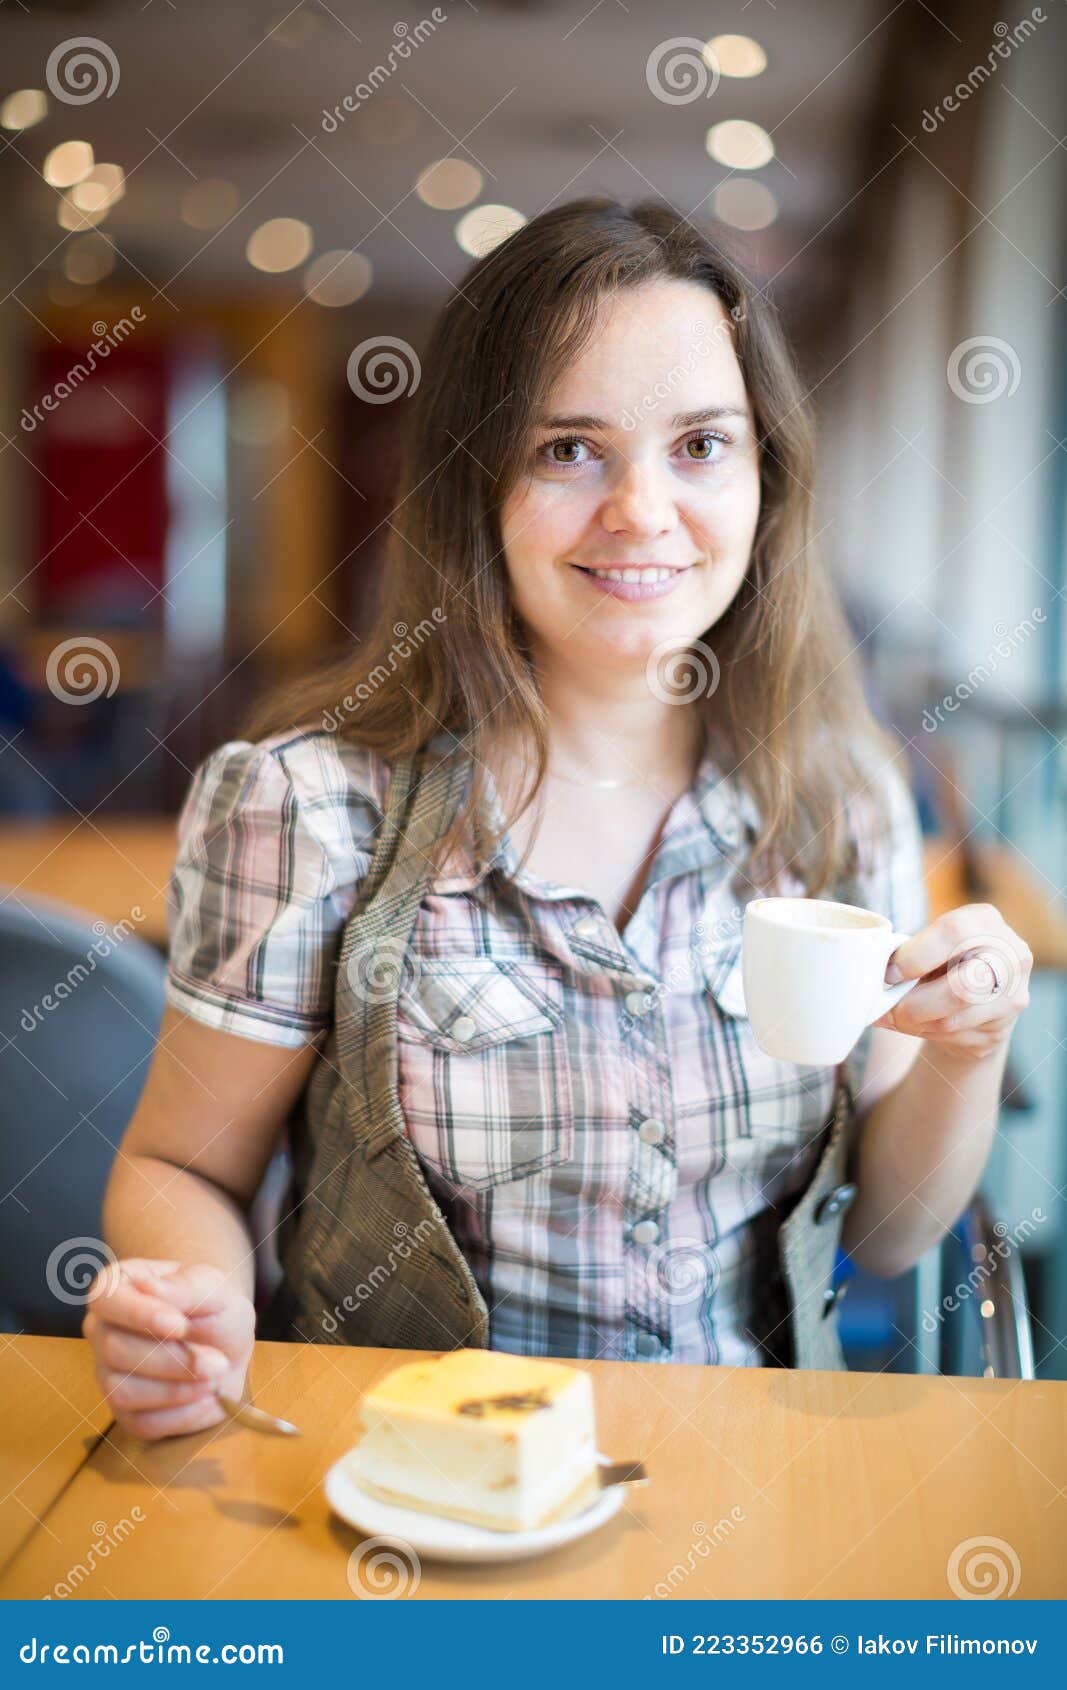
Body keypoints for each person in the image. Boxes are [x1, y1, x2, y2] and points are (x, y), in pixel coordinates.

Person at [83, 198, 1032, 1441]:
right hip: (410, 1498)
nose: (641, 510)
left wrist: (965, 1051)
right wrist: (190, 1303)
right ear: (475, 484)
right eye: (568, 449)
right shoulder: (309, 804)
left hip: (746, 1488)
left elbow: (887, 1232)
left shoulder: (836, 796)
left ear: (765, 475)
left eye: (700, 445)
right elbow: (181, 1169)